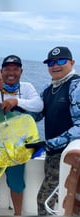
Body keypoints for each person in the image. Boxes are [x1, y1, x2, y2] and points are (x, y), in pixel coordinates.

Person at [0, 55, 43, 216]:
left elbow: (38, 105)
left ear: (21, 71)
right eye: (7, 69)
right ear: (1, 71)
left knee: (16, 182)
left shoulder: (27, 88)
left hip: (16, 146)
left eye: (15, 69)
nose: (11, 73)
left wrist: (15, 101)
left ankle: (17, 214)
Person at [25, 46, 80, 215]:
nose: (55, 65)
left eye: (61, 61)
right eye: (51, 62)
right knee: (58, 199)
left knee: (46, 200)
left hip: (69, 157)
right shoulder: (48, 89)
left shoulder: (76, 86)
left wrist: (49, 143)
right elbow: (36, 115)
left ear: (72, 63)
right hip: (52, 154)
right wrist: (13, 110)